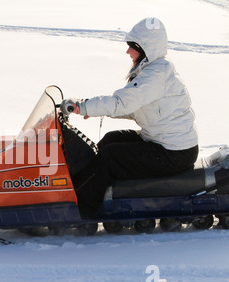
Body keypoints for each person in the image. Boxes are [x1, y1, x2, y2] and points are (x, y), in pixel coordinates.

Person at [60, 17, 199, 217]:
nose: (127, 52)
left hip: (174, 153)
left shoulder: (154, 77)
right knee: (111, 140)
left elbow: (121, 103)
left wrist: (81, 107)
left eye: (132, 47)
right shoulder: (155, 71)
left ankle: (82, 209)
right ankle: (97, 189)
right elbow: (134, 108)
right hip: (164, 142)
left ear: (146, 49)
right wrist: (89, 109)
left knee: (110, 157)